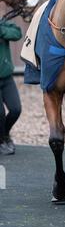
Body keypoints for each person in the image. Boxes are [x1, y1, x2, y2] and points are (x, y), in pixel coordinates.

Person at [0, 20, 22, 155]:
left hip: (7, 78)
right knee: (0, 114)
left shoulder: (3, 24)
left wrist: (1, 31)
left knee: (16, 109)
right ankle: (2, 141)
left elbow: (17, 33)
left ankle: (4, 134)